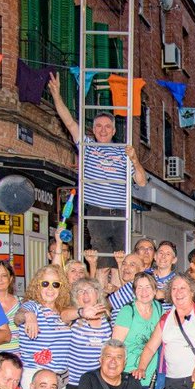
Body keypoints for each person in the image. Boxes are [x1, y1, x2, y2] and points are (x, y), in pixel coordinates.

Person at [47, 73, 147, 260]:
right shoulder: (87, 146)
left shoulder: (124, 152)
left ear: (114, 130)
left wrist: (134, 159)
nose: (103, 130)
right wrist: (56, 95)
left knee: (122, 261)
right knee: (101, 261)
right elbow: (69, 122)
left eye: (107, 127)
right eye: (99, 126)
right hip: (97, 211)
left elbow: (141, 182)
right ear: (93, 130)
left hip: (120, 213)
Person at [11, 265, 73, 389]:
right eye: (45, 283)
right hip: (35, 374)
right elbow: (18, 318)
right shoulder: (32, 306)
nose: (50, 288)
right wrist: (28, 315)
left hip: (59, 376)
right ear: (37, 286)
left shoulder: (63, 311)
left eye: (55, 284)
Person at [112, 271, 163, 389]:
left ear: (155, 291)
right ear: (134, 292)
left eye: (148, 287)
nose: (144, 292)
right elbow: (115, 346)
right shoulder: (128, 311)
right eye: (139, 288)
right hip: (127, 373)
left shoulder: (158, 308)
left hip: (150, 373)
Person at [63, 277, 113, 389]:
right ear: (76, 296)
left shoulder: (107, 317)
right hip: (74, 382)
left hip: (99, 382)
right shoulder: (74, 315)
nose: (85, 294)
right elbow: (63, 316)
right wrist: (82, 312)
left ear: (97, 294)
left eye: (89, 290)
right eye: (80, 291)